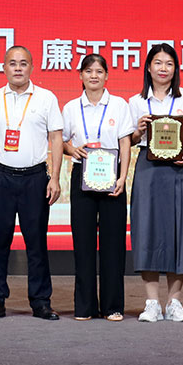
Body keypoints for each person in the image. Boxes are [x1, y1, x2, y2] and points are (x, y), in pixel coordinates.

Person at [0, 45, 64, 320]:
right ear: (4, 67)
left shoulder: (46, 98)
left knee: (36, 243)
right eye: (12, 63)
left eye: (23, 63)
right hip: (0, 178)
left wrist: (55, 178)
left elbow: (56, 139)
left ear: (31, 67)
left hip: (35, 178)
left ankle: (40, 301)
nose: (17, 68)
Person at [128, 43, 183, 323]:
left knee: (180, 231)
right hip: (148, 171)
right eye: (158, 63)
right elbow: (129, 141)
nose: (163, 69)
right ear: (148, 67)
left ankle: (174, 302)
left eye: (169, 64)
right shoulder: (136, 102)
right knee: (147, 230)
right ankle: (152, 302)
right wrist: (137, 131)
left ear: (175, 69)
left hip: (179, 169)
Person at [61, 54, 133, 321]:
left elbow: (125, 143)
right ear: (80, 75)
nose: (94, 76)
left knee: (114, 244)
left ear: (106, 76)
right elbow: (61, 141)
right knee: (83, 242)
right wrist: (71, 150)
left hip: (112, 176)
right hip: (83, 175)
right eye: (89, 71)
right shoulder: (71, 107)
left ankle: (113, 306)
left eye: (99, 71)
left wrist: (123, 177)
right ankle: (85, 306)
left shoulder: (119, 105)